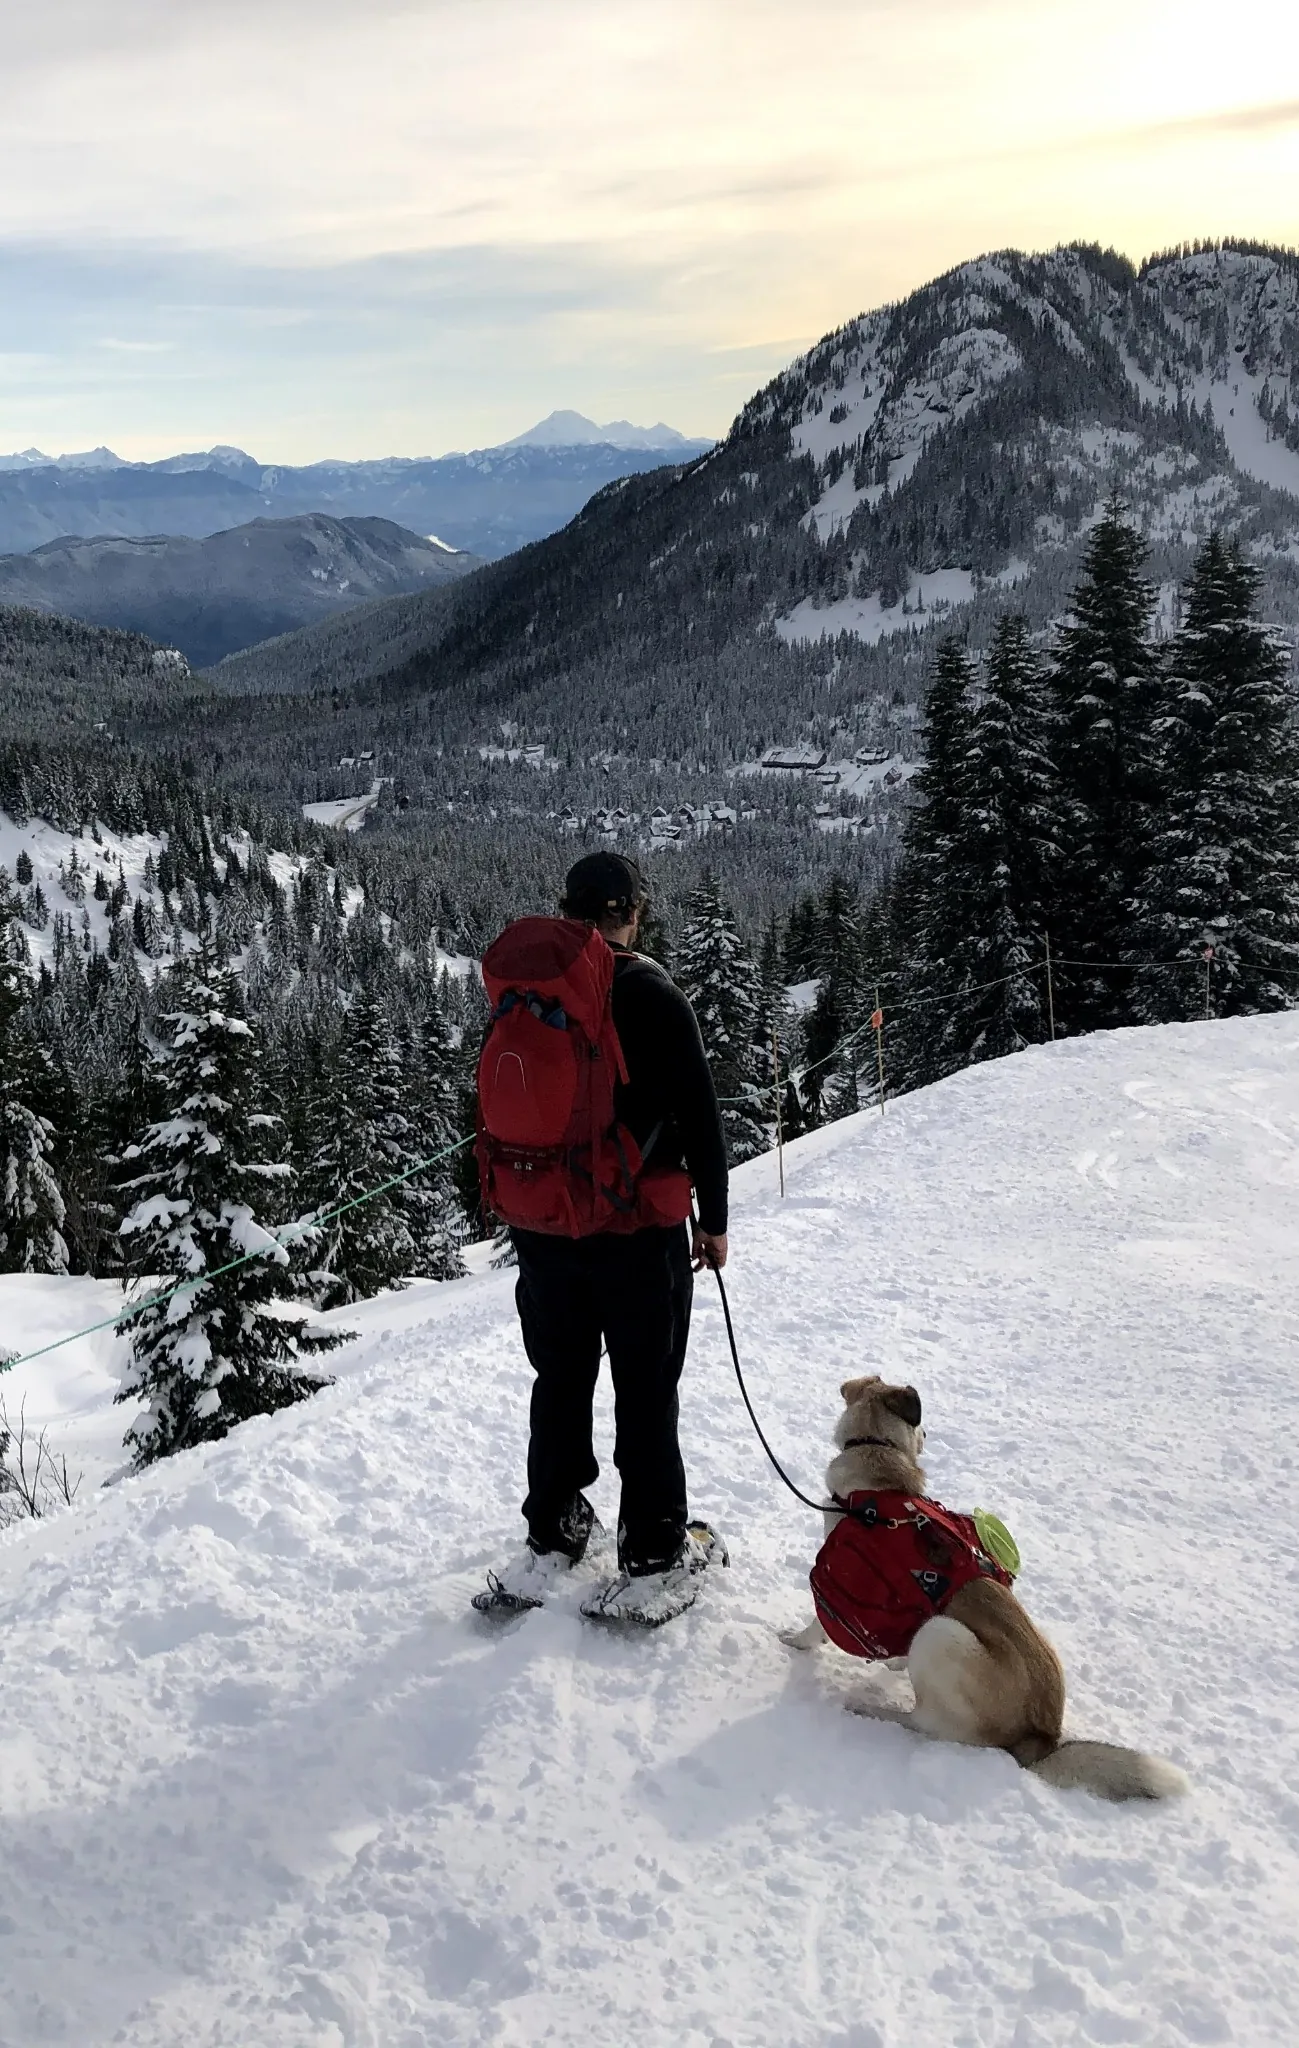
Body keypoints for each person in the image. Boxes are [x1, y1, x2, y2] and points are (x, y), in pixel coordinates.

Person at [486, 850, 729, 1621]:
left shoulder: (533, 994)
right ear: (630, 911)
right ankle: (653, 1550)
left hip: (547, 1228)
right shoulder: (652, 990)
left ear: (569, 910)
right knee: (645, 1387)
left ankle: (552, 1535)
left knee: (558, 1379)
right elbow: (702, 1119)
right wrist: (715, 1224)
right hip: (635, 1232)